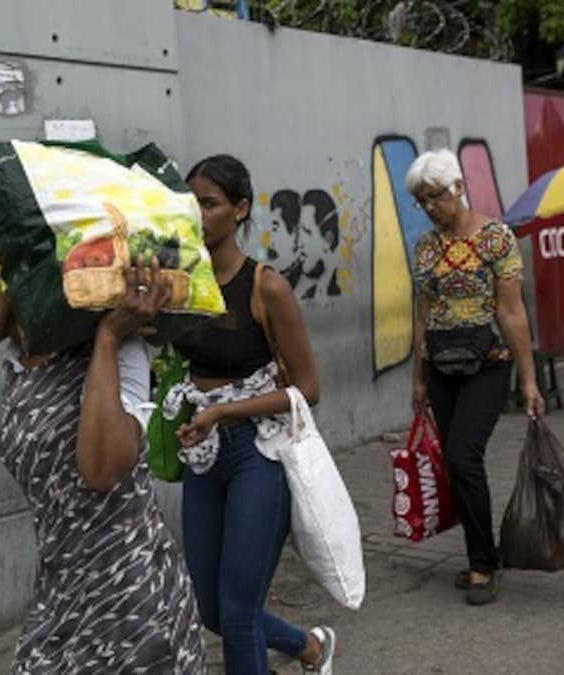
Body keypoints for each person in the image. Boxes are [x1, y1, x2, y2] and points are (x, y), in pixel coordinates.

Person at [0, 228, 204, 674]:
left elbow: (102, 470)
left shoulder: (116, 347)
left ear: (3, 265)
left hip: (132, 602)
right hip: (62, 599)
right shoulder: (18, 370)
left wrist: (110, 338)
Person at [167, 154, 336, 674]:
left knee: (238, 615)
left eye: (210, 203)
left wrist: (226, 411)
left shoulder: (266, 287)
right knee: (211, 608)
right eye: (190, 201)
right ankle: (309, 647)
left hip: (257, 454)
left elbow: (309, 389)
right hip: (203, 453)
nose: (198, 213)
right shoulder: (181, 284)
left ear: (240, 210)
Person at [405, 149, 546, 606]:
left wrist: (528, 380)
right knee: (455, 463)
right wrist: (418, 379)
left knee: (465, 456)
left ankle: (484, 564)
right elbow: (422, 315)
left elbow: (512, 310)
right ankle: (480, 554)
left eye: (435, 197)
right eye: (421, 200)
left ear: (459, 188)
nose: (429, 207)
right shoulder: (425, 247)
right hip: (441, 367)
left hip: (489, 363)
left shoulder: (495, 239)